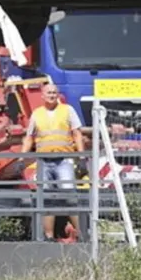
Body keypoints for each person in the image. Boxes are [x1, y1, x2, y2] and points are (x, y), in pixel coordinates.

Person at [19, 83, 85, 242]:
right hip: (44, 161)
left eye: (54, 92)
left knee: (70, 196)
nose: (52, 95)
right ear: (42, 95)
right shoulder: (37, 114)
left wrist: (81, 157)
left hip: (64, 160)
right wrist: (22, 158)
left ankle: (82, 235)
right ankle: (48, 236)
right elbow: (29, 138)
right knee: (47, 198)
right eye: (49, 92)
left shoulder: (67, 110)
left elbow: (77, 134)